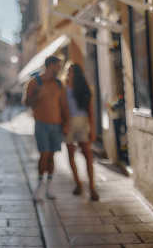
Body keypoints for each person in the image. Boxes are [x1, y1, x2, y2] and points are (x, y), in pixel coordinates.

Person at [23, 56, 69, 201]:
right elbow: (27, 103)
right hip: (41, 124)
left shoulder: (58, 84)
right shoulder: (34, 82)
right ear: (51, 65)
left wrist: (66, 123)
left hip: (56, 124)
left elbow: (63, 105)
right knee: (44, 154)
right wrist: (37, 94)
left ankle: (50, 185)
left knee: (51, 156)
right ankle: (40, 185)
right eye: (58, 66)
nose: (59, 69)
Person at [64, 63, 99, 201]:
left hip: (83, 124)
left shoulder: (83, 90)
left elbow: (90, 111)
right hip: (69, 124)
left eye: (72, 71)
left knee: (88, 156)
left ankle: (92, 188)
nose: (69, 73)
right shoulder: (63, 90)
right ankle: (78, 184)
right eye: (67, 71)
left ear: (77, 73)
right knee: (71, 154)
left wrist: (93, 130)